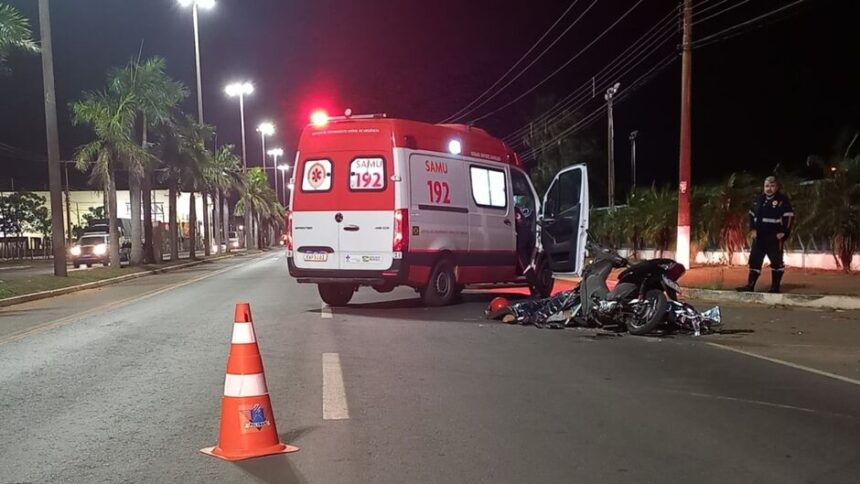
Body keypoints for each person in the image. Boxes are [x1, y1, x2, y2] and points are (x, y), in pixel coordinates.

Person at [736, 176, 795, 293]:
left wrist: (784, 232)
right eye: (767, 186)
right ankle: (750, 285)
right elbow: (751, 215)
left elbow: (789, 217)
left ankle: (775, 287)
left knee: (776, 261)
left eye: (772, 186)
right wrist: (752, 229)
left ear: (777, 187)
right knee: (754, 260)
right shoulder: (758, 200)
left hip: (774, 237)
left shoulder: (782, 200)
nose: (769, 189)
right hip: (759, 238)